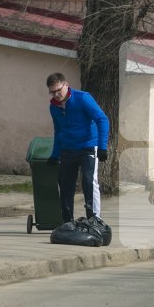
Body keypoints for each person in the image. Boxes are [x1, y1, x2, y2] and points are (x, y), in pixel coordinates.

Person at [46, 72, 110, 223]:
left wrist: (102, 147)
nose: (56, 94)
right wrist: (55, 155)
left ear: (66, 85)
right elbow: (59, 131)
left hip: (88, 146)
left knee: (89, 181)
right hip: (68, 149)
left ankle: (94, 219)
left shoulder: (82, 98)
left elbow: (102, 119)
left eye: (58, 90)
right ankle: (68, 221)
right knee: (65, 184)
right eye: (52, 92)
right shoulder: (53, 107)